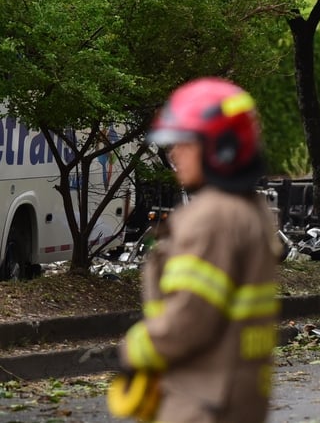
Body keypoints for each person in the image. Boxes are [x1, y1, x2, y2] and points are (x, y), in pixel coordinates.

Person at [112, 78, 281, 422]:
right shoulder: (251, 209)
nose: (174, 153)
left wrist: (132, 351)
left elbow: (190, 318)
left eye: (185, 143)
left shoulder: (211, 218)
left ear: (223, 147)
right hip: (239, 395)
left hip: (202, 401)